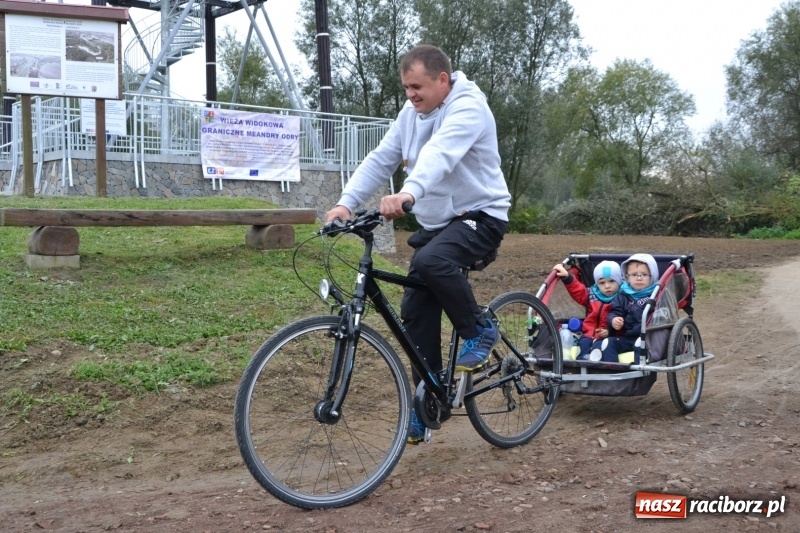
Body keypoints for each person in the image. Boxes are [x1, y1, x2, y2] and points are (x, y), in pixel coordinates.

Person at [324, 45, 511, 444]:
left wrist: (408, 193)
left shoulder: (468, 108)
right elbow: (381, 158)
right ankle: (428, 404)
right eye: (406, 87)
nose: (410, 94)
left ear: (442, 80)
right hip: (440, 223)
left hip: (482, 215)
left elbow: (440, 154)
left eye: (417, 86)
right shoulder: (410, 115)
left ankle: (480, 329)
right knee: (415, 312)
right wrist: (345, 203)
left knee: (431, 261)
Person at [593, 253, 659, 363]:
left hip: (648, 337)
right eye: (634, 275)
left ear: (652, 276)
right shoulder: (623, 294)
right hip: (627, 337)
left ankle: (638, 375)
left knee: (640, 345)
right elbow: (614, 312)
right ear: (627, 277)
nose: (639, 278)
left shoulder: (657, 294)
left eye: (644, 274)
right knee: (608, 343)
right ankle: (614, 372)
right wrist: (613, 320)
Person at [552, 260, 622, 360]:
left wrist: (610, 331)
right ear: (597, 283)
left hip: (609, 336)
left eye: (611, 281)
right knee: (583, 344)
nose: (607, 286)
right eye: (602, 282)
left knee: (600, 347)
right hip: (589, 333)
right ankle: (581, 366)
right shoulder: (591, 294)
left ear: (619, 281)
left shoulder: (622, 297)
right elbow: (578, 290)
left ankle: (597, 368)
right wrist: (567, 277)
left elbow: (623, 319)